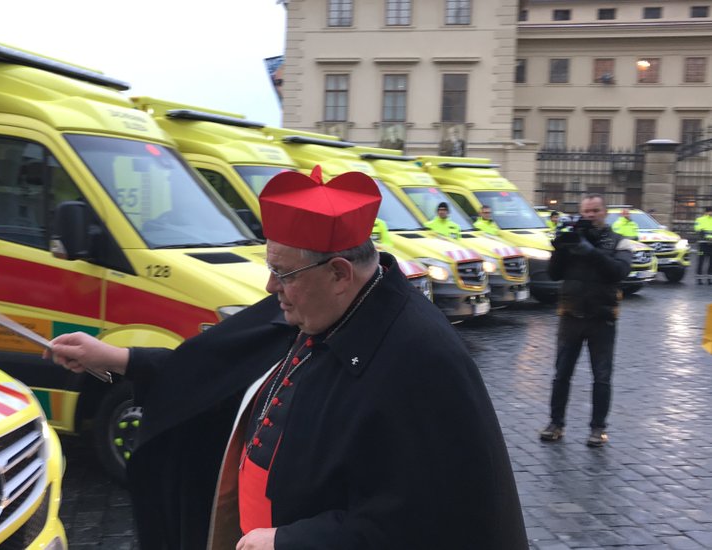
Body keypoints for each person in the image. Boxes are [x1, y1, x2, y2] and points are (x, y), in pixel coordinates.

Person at [45, 167, 527, 550]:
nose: (271, 287)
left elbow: (428, 522)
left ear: (339, 272)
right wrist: (113, 357)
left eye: (283, 273)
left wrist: (291, 540)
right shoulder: (316, 305)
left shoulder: (422, 358)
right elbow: (214, 368)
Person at [540, 194, 633, 447]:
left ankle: (598, 428)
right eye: (586, 211)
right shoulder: (574, 238)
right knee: (561, 375)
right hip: (570, 315)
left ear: (605, 212)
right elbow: (554, 274)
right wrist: (559, 249)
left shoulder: (619, 242)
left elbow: (619, 272)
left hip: (602, 319)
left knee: (601, 377)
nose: (590, 215)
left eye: (595, 210)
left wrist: (591, 252)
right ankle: (555, 423)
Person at [694, 206, 712, 285]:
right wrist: (706, 235)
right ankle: (699, 279)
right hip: (703, 244)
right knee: (701, 261)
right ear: (706, 212)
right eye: (709, 211)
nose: (711, 213)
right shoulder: (699, 219)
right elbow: (697, 229)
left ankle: (709, 279)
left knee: (711, 263)